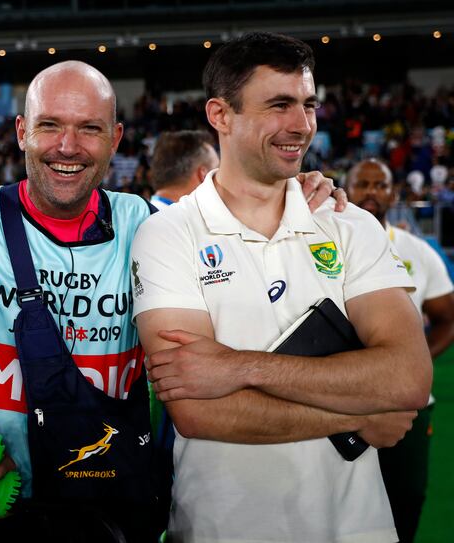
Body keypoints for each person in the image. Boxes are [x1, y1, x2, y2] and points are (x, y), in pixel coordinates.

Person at [0, 60, 343, 542]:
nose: (67, 146)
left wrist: (297, 192)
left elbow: (250, 248)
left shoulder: (151, 228)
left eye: (89, 129)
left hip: (115, 508)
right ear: (21, 131)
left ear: (116, 138)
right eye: (50, 125)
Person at [131, 32, 432, 543]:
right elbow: (198, 410)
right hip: (222, 528)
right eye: (279, 105)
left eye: (309, 104)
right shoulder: (168, 233)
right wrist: (357, 418)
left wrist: (240, 367)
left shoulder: (349, 223)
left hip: (358, 528)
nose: (303, 125)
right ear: (220, 115)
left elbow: (408, 378)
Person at [347, 157, 454, 542]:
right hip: (338, 405)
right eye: (363, 184)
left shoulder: (418, 251)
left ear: (393, 192)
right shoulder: (320, 243)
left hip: (405, 406)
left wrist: (414, 362)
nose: (372, 193)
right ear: (348, 187)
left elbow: (447, 317)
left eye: (380, 185)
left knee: (404, 502)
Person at [149, 129, 220, 210]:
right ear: (204, 175)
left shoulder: (144, 216)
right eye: (216, 170)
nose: (219, 178)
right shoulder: (175, 220)